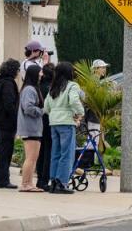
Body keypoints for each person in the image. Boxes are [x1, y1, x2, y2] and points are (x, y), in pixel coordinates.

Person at [44, 62, 83, 194]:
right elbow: (73, 101)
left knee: (55, 153)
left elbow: (46, 107)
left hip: (53, 123)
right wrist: (80, 113)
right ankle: (62, 183)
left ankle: (53, 181)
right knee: (67, 154)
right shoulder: (72, 86)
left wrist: (55, 114)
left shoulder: (52, 87)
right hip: (66, 122)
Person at [0, 59, 22, 188]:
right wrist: (15, 118)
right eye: (18, 69)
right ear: (13, 70)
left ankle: (1, 179)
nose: (19, 72)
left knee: (3, 149)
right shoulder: (8, 83)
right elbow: (9, 103)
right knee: (5, 150)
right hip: (7, 121)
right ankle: (3, 180)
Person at [17, 65, 45, 192]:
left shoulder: (32, 88)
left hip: (34, 127)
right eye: (40, 72)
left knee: (33, 157)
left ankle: (29, 183)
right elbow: (28, 108)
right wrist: (41, 111)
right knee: (31, 157)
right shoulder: (29, 90)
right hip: (30, 128)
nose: (41, 75)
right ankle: (25, 183)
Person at [35, 63, 55, 190]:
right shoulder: (51, 89)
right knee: (49, 151)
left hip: (38, 121)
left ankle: (39, 179)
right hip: (49, 121)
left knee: (40, 151)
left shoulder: (38, 87)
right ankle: (44, 179)